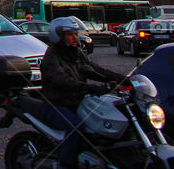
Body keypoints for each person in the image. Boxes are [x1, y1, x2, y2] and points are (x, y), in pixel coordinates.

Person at [39, 16, 124, 169]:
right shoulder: (51, 57)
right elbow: (62, 80)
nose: (74, 38)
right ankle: (65, 164)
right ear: (59, 36)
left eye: (75, 34)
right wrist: (90, 88)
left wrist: (123, 79)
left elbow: (96, 69)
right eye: (70, 35)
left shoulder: (75, 53)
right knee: (76, 127)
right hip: (56, 103)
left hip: (76, 101)